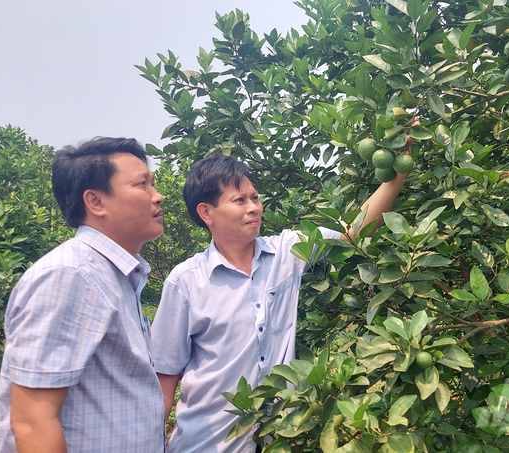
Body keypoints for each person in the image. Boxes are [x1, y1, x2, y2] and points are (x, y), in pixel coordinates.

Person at [151, 138, 413, 453]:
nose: (253, 207)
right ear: (206, 212)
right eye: (239, 200)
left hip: (281, 439)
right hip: (206, 444)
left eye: (255, 197)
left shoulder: (288, 251)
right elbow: (164, 380)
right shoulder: (186, 282)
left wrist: (397, 174)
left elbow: (353, 233)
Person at [0, 137, 166, 453]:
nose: (158, 196)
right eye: (143, 185)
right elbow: (33, 421)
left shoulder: (114, 275)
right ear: (96, 202)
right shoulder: (71, 274)